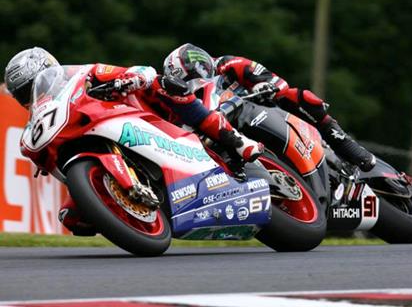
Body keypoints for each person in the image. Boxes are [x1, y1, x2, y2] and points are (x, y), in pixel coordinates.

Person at [4, 46, 264, 235]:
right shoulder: (41, 121)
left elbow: (121, 71)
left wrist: (132, 77)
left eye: (31, 86)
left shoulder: (80, 77)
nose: (30, 95)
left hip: (149, 114)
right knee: (71, 218)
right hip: (104, 141)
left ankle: (235, 140)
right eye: (23, 93)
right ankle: (134, 203)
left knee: (168, 87)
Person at [163, 43, 376, 172]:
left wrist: (265, 86)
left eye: (198, 69)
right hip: (229, 133)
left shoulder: (228, 65)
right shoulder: (185, 103)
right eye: (188, 78)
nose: (196, 77)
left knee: (296, 96)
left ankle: (347, 145)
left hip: (261, 109)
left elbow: (275, 81)